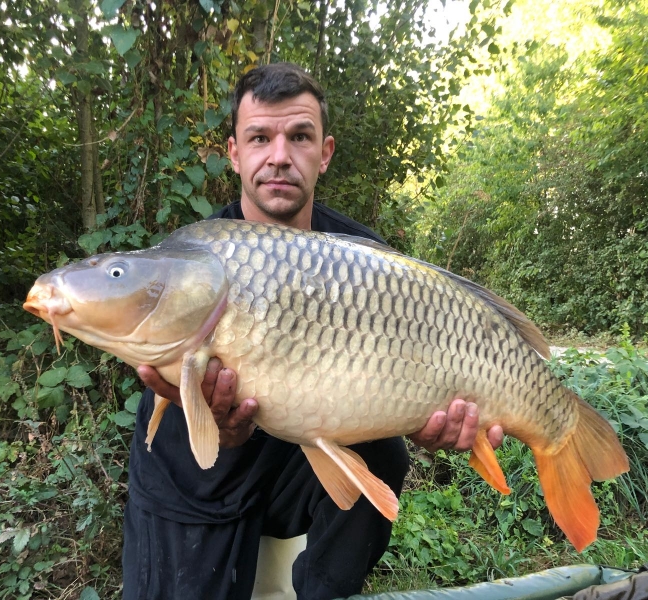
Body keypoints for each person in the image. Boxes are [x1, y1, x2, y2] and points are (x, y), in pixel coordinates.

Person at [122, 62, 504, 600]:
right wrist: (220, 426)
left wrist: (425, 418)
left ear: (323, 152)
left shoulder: (367, 261)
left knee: (386, 449)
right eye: (260, 137)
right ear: (234, 152)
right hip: (187, 475)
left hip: (294, 453)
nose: (279, 156)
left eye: (299, 136)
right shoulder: (196, 254)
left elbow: (408, 375)